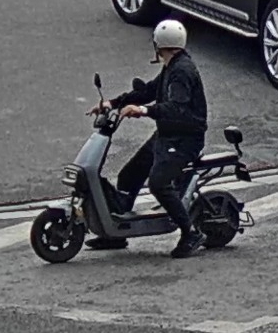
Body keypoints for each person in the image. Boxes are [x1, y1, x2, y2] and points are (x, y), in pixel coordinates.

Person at [85, 19, 210, 258]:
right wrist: (111, 103)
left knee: (158, 184)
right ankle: (117, 234)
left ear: (159, 44)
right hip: (166, 135)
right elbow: (147, 91)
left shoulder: (182, 71)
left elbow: (177, 108)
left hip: (184, 140)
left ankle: (190, 232)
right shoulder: (171, 67)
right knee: (129, 175)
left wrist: (144, 111)